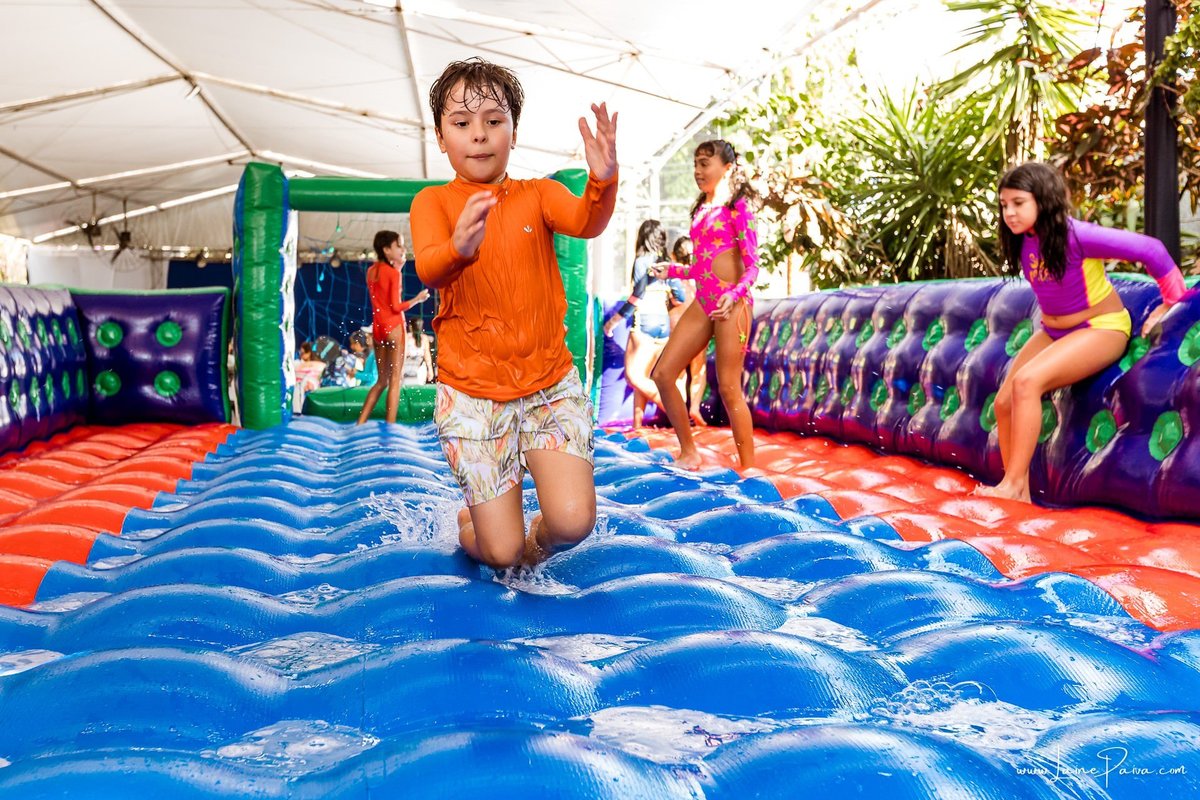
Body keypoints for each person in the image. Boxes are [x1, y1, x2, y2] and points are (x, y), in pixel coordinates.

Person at [410, 57, 618, 570]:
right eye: (462, 124)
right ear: (441, 137)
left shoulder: (538, 193)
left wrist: (603, 180)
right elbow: (430, 269)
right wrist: (459, 246)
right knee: (498, 554)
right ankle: (478, 529)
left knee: (571, 523)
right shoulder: (432, 203)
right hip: (472, 395)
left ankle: (534, 545)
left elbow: (586, 221)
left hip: (547, 383)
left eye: (493, 121)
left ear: (513, 132)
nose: (478, 135)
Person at [975, 161, 1187, 503]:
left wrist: (1171, 302)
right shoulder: (1026, 240)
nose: (1009, 213)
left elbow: (1151, 250)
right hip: (1054, 331)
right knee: (1003, 403)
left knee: (1027, 384)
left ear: (1042, 200)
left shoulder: (1078, 236)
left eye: (1018, 203)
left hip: (1102, 328)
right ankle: (1021, 491)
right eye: (1004, 205)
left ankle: (1012, 486)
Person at [650, 140, 759, 470]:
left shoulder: (737, 208)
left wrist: (734, 295)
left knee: (728, 387)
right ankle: (689, 451)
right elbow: (702, 267)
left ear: (726, 168)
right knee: (664, 373)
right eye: (695, 164)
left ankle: (749, 468)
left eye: (704, 164)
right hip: (705, 301)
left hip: (733, 305)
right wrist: (670, 270)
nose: (697, 171)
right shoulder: (701, 211)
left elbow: (753, 265)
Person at [602, 219, 685, 427]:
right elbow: (680, 297)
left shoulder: (642, 262)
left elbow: (637, 296)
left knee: (634, 377)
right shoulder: (667, 264)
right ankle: (638, 427)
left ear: (642, 238)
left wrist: (612, 322)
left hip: (645, 324)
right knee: (645, 375)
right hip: (663, 326)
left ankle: (678, 411)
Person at [355, 230, 430, 424]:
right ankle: (390, 425)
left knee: (381, 381)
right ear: (386, 249)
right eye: (399, 245)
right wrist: (417, 299)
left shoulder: (371, 271)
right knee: (396, 378)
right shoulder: (393, 274)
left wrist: (398, 268)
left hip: (378, 329)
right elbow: (396, 307)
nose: (403, 249)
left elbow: (381, 298)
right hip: (394, 327)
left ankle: (360, 421)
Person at [665, 235, 707, 427]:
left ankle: (681, 411)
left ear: (674, 255)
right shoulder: (698, 279)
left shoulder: (673, 279)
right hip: (699, 331)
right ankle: (695, 407)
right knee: (698, 372)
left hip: (678, 332)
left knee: (680, 375)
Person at [403, 318, 435, 385]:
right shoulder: (424, 338)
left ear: (410, 327)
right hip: (419, 369)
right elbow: (427, 355)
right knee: (418, 391)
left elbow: (403, 355)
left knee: (407, 391)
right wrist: (430, 369)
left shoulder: (406, 337)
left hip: (407, 367)